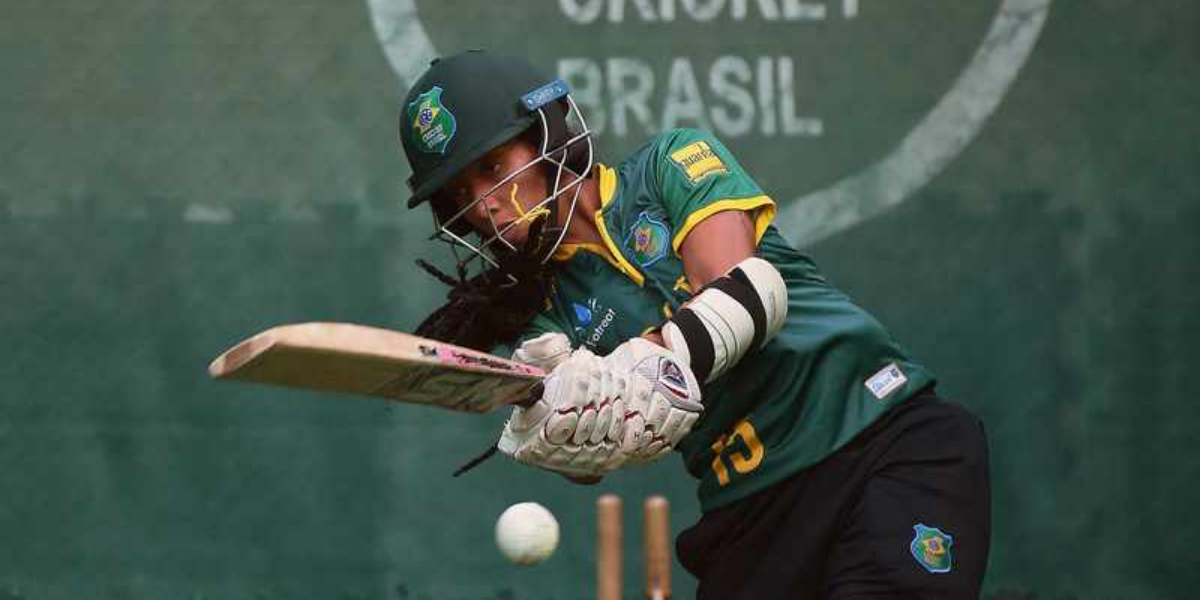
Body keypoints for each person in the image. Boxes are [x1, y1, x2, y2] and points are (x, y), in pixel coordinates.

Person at [398, 50, 991, 600]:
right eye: (462, 191)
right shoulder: (543, 318)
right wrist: (552, 424)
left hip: (879, 439)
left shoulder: (670, 164)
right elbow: (592, 462)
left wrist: (644, 357)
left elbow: (744, 294)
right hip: (752, 513)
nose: (484, 203)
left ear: (547, 133)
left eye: (493, 166)